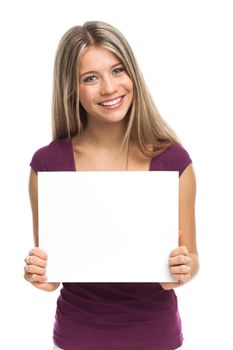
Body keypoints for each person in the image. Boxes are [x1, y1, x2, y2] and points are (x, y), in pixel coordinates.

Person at [24, 21, 199, 350]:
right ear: (72, 89)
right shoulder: (48, 165)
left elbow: (190, 260)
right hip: (78, 333)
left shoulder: (173, 160)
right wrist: (38, 273)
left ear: (132, 73)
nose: (109, 88)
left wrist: (181, 267)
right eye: (90, 78)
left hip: (155, 333)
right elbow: (52, 276)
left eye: (117, 70)